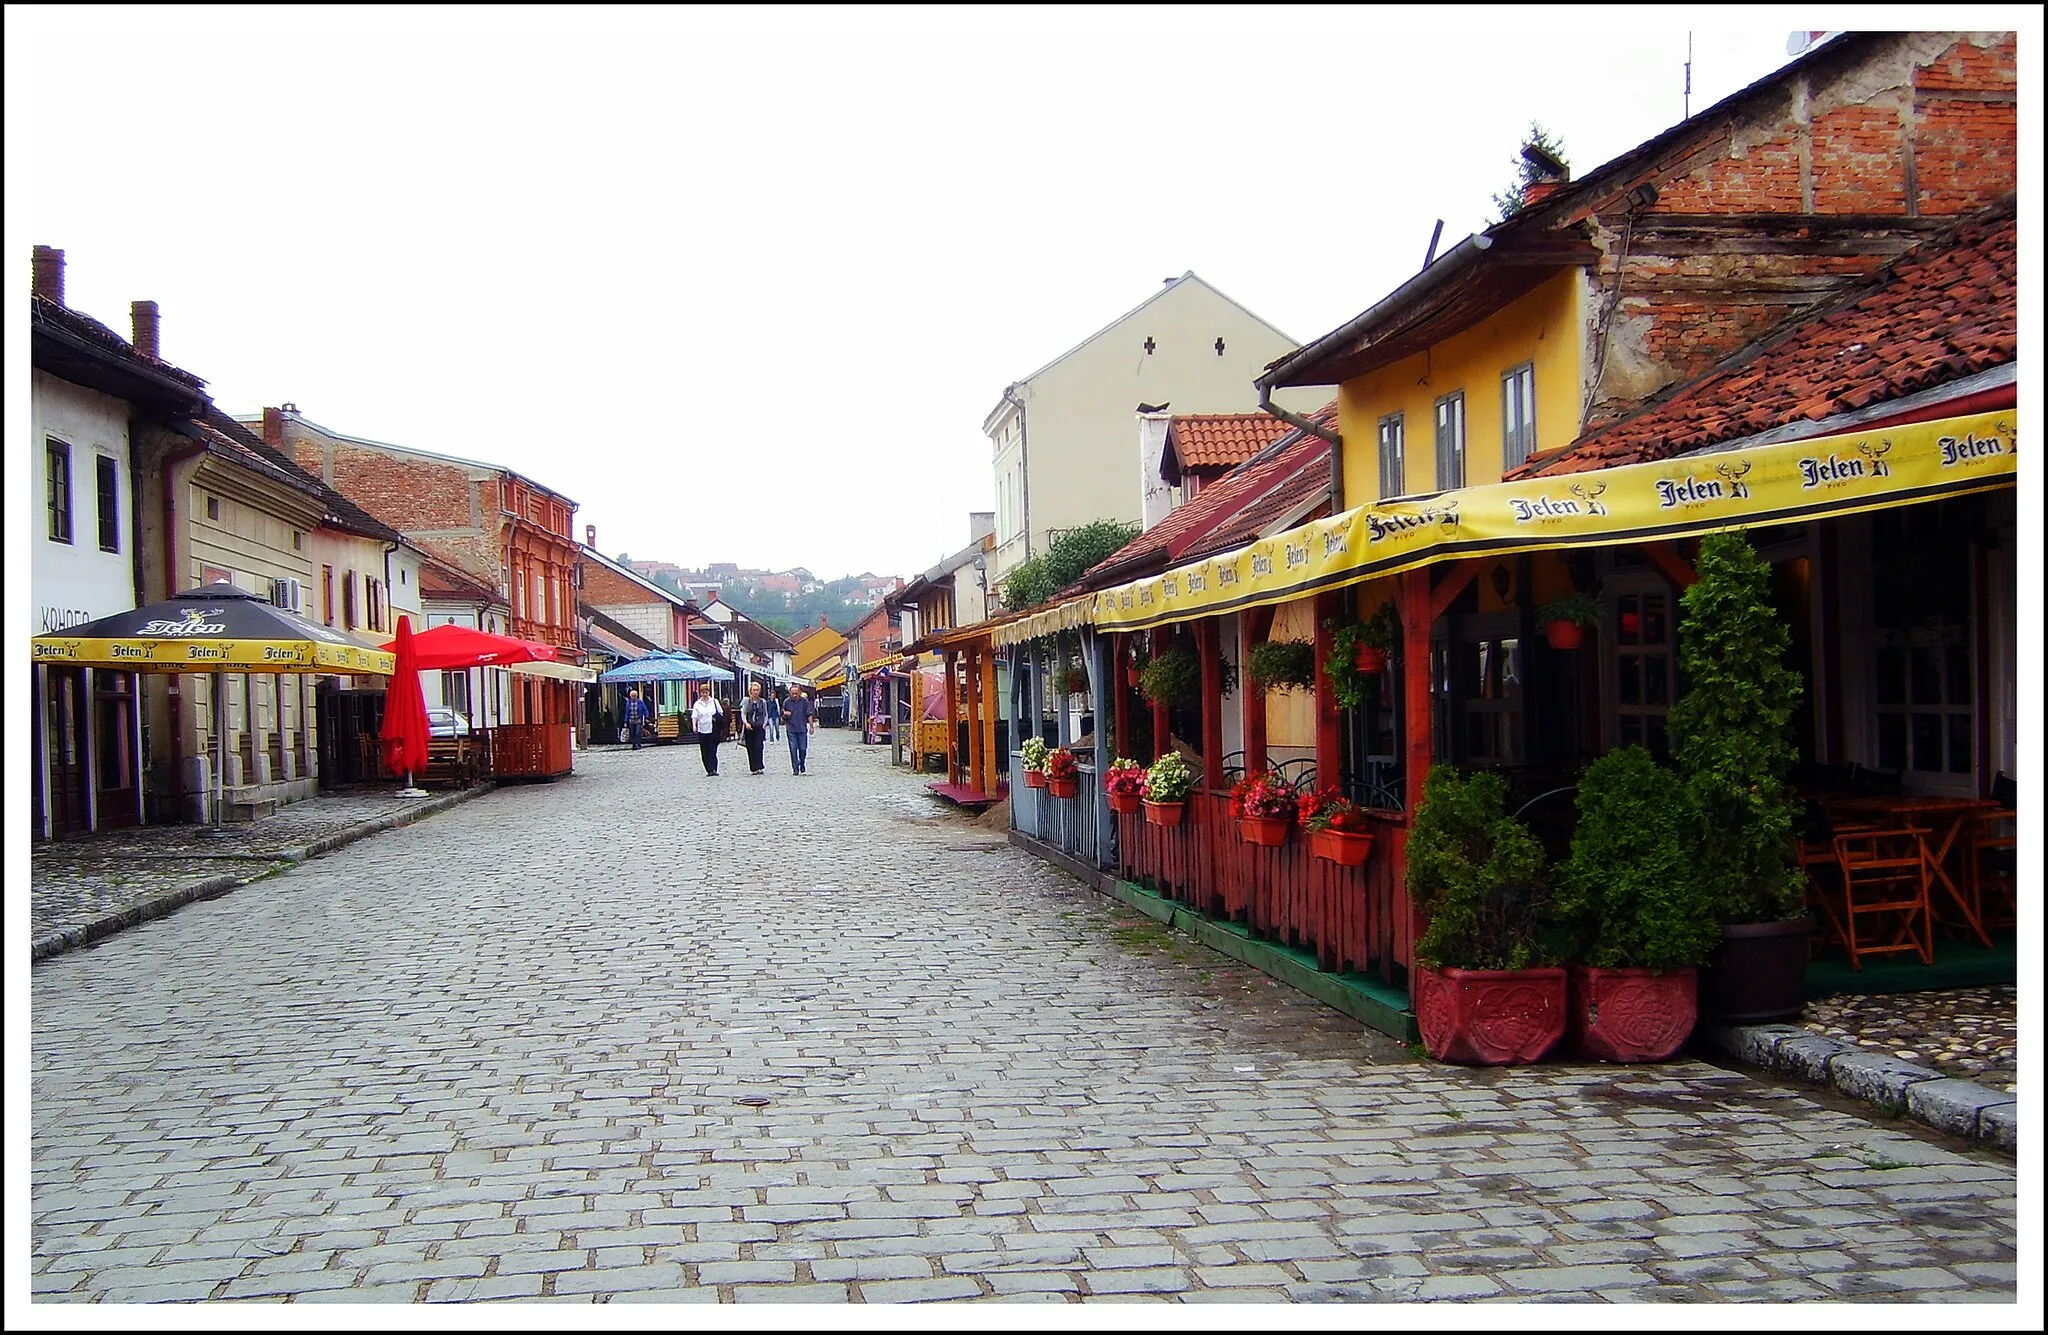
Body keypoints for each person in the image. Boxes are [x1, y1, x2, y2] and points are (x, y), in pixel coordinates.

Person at [689, 683, 726, 776]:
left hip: (713, 729)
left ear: (709, 692)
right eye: (703, 692)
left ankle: (713, 769)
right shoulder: (697, 704)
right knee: (705, 751)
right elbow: (694, 716)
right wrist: (694, 725)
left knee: (713, 749)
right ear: (700, 693)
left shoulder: (714, 701)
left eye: (706, 692)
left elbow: (720, 713)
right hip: (702, 729)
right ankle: (708, 769)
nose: (705, 694)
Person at [784, 683, 816, 775]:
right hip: (791, 728)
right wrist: (785, 714)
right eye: (792, 693)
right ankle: (795, 768)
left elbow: (809, 714)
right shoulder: (787, 702)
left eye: (796, 693)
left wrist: (811, 726)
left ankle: (802, 763)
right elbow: (782, 716)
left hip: (802, 728)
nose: (794, 695)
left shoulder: (804, 702)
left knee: (803, 748)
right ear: (790, 693)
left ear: (800, 693)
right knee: (793, 749)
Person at [741, 681, 770, 775]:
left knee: (759, 746)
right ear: (750, 691)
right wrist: (746, 723)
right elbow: (743, 713)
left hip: (759, 726)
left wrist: (764, 724)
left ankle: (759, 766)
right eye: (754, 690)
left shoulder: (763, 702)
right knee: (750, 747)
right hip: (749, 727)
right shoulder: (746, 701)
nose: (756, 692)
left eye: (757, 690)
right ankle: (753, 767)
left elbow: (765, 714)